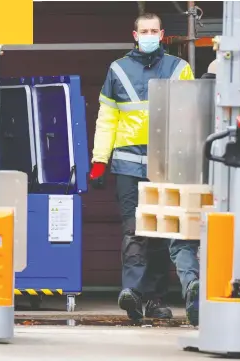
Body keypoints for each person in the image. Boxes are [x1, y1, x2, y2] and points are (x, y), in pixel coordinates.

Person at [88, 12, 200, 325]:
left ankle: (153, 298)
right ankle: (132, 291)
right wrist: (100, 160)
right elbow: (107, 118)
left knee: (163, 231)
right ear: (135, 35)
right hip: (127, 163)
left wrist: (190, 160)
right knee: (133, 231)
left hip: (169, 163)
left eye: (154, 30)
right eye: (144, 30)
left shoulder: (180, 69)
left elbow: (191, 118)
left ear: (162, 34)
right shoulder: (117, 69)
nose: (149, 35)